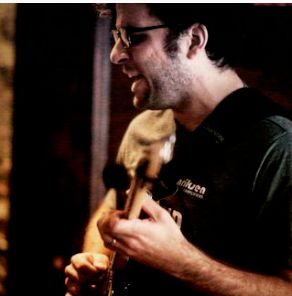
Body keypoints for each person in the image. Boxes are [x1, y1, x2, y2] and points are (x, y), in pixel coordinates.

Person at [64, 4, 292, 296]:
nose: (115, 54)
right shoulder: (144, 128)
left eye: (132, 36)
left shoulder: (279, 147)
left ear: (194, 40)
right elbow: (112, 208)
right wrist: (97, 265)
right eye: (116, 36)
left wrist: (181, 262)